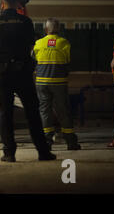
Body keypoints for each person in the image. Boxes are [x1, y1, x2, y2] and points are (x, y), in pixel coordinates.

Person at [0, 0, 56, 162]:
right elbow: (30, 44)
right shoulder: (25, 21)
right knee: (32, 113)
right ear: (18, 2)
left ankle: (9, 153)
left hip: (2, 73)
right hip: (22, 72)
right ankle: (43, 151)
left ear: (2, 2)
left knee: (6, 114)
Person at [33, 18, 81, 150]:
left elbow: (34, 59)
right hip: (59, 83)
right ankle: (71, 142)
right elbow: (67, 61)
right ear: (58, 29)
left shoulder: (38, 43)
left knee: (44, 111)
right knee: (63, 111)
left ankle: (47, 141)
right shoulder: (64, 43)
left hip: (42, 82)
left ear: (45, 29)